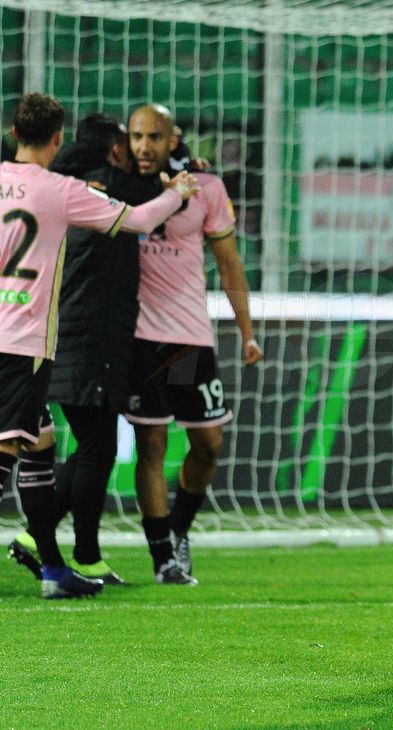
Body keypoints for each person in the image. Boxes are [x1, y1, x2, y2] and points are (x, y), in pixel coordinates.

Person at [0, 92, 198, 597]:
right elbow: (134, 220)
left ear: (15, 133)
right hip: (23, 345)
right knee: (10, 451)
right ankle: (60, 565)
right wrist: (176, 193)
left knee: (40, 447)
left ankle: (52, 569)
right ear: (57, 137)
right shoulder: (60, 190)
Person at [123, 104, 262, 585]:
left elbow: (229, 264)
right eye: (137, 136)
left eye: (154, 137)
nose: (144, 146)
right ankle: (163, 557)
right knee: (152, 442)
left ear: (173, 139)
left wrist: (247, 330)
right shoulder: (114, 181)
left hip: (187, 342)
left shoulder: (207, 187)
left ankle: (179, 532)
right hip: (140, 338)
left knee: (207, 442)